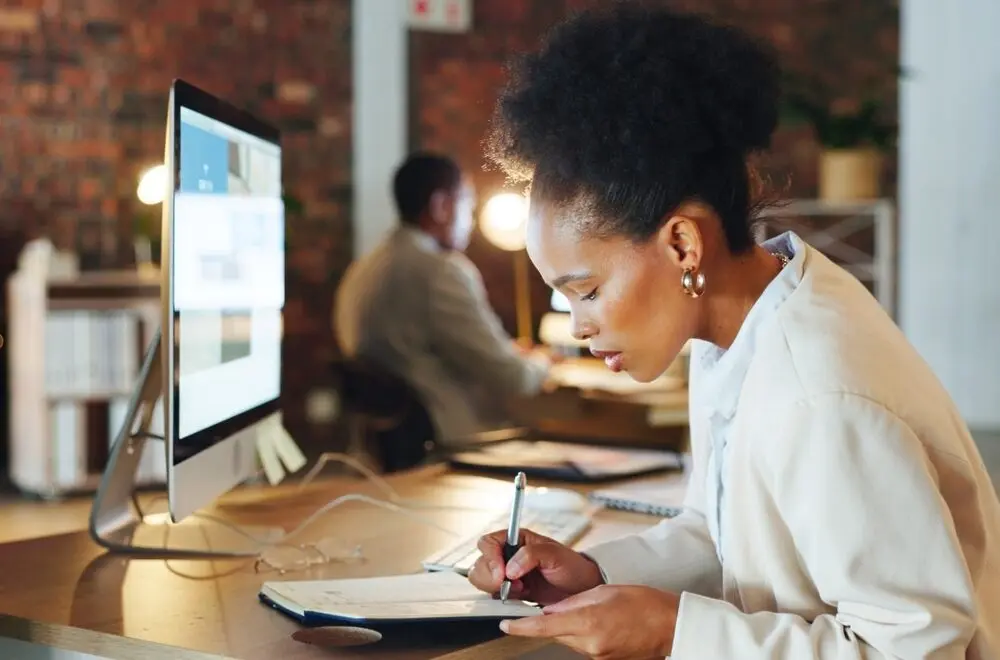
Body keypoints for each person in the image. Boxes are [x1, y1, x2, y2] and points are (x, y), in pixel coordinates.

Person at [467, 4, 1000, 659]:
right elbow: (728, 534)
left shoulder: (819, 395)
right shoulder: (746, 324)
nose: (578, 326)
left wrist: (674, 631)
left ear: (684, 244)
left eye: (589, 290)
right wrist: (597, 575)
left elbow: (920, 648)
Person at [334, 152, 552, 448]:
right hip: (446, 439)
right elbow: (512, 377)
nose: (471, 221)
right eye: (468, 205)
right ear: (441, 206)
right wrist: (542, 362)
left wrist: (505, 353)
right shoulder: (440, 271)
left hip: (381, 446)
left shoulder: (367, 265)